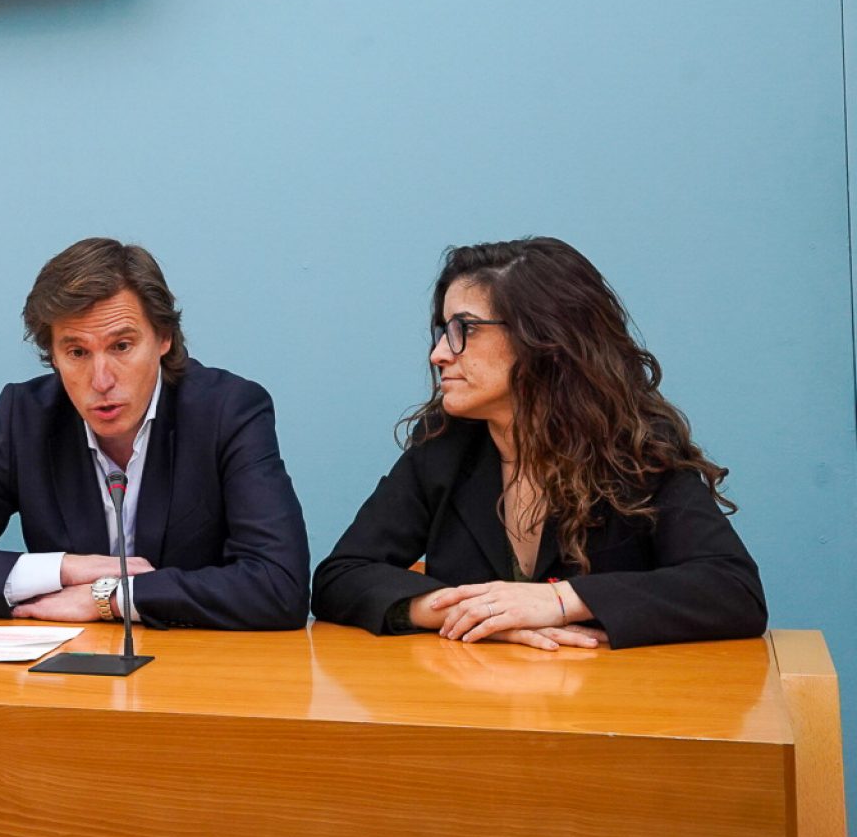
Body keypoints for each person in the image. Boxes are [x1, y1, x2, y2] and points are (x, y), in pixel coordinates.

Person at [311, 238, 766, 650]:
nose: (439, 354)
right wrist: (465, 612)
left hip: (610, 712)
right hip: (473, 713)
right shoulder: (444, 444)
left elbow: (732, 589)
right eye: (442, 331)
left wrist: (559, 600)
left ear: (542, 339)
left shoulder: (634, 450)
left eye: (463, 330)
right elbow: (340, 575)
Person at [0, 238, 310, 629]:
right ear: (52, 355)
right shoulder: (25, 418)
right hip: (74, 678)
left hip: (199, 675)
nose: (101, 379)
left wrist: (111, 598)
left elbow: (278, 585)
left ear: (163, 338)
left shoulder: (227, 410)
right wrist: (64, 570)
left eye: (121, 346)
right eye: (77, 352)